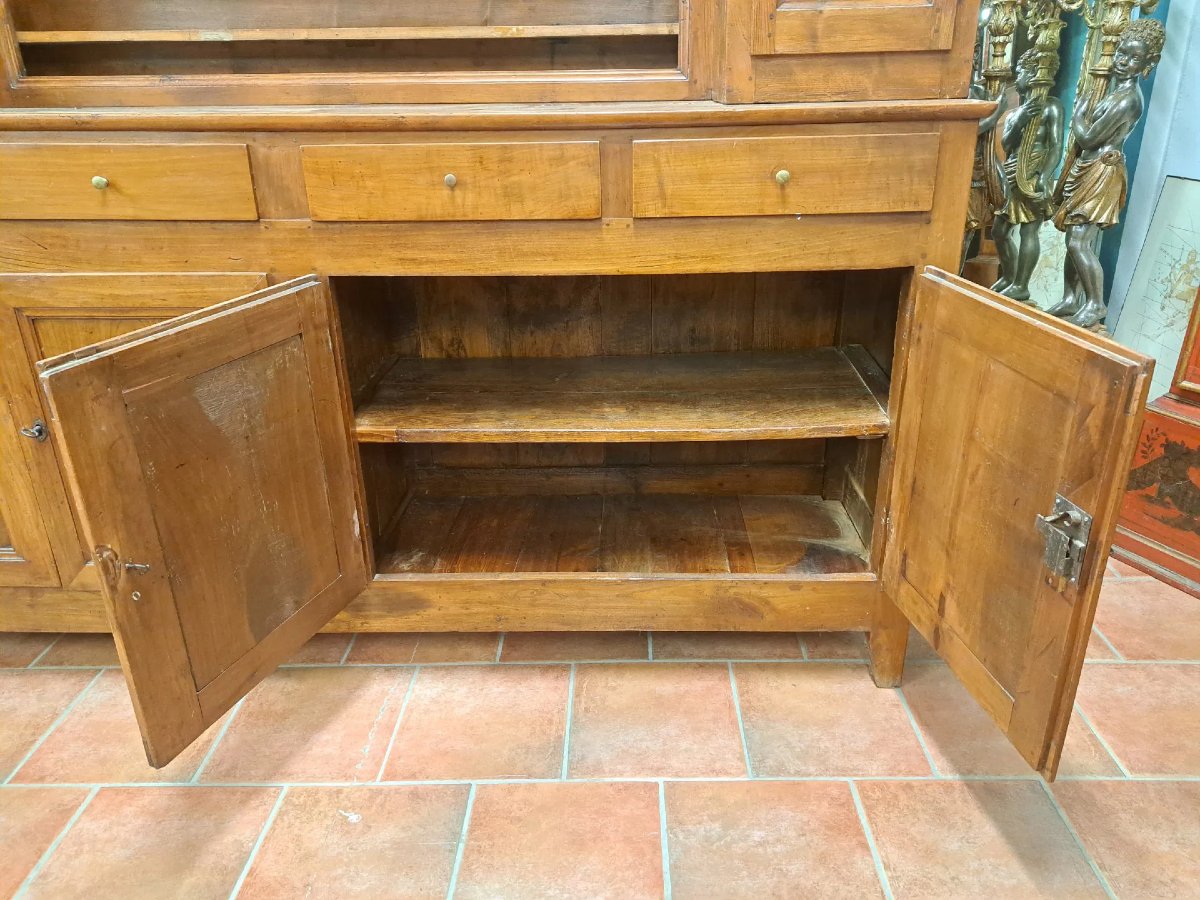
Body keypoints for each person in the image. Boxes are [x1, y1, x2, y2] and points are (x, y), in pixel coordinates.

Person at [1047, 17, 1166, 327]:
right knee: (1072, 238)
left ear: (1147, 62)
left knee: (1078, 241)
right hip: (1090, 167)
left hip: (1102, 172)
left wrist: (1078, 115)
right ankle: (1072, 298)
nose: (1124, 61)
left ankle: (1096, 303)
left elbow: (1088, 138)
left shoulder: (1128, 100)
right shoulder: (1113, 93)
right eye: (1122, 53)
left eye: (1134, 57)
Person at [990, 48, 1063, 302]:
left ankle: (1021, 285)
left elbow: (1055, 146)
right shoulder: (1015, 113)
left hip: (1033, 173)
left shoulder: (1052, 107)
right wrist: (1019, 120)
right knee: (999, 232)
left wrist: (1045, 175)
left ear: (1034, 74)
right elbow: (1007, 145)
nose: (1017, 78)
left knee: (1028, 232)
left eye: (1020, 73)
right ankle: (1009, 277)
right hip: (1013, 172)